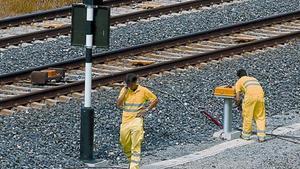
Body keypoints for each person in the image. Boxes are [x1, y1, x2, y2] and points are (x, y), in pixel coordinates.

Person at [117, 73, 158, 169]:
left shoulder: (143, 90)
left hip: (137, 120)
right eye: (128, 84)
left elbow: (155, 100)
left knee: (136, 143)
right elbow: (118, 104)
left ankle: (134, 166)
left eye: (131, 84)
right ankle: (132, 160)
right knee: (124, 143)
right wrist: (124, 92)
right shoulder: (124, 90)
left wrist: (146, 110)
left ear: (135, 82)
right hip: (125, 121)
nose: (130, 86)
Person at [234, 69, 266, 142]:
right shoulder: (253, 79)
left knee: (248, 116)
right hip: (261, 97)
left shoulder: (239, 81)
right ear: (246, 74)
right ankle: (261, 137)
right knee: (260, 116)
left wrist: (237, 103)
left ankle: (246, 135)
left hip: (250, 97)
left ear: (238, 76)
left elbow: (238, 97)